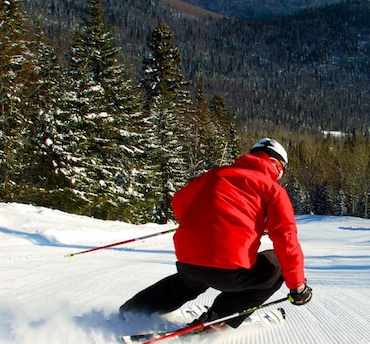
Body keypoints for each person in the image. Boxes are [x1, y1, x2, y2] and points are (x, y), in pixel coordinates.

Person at [120, 138, 312, 331]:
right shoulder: (273, 190)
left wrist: (207, 218)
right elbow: (286, 240)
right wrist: (298, 287)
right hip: (229, 272)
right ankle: (218, 318)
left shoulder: (214, 175)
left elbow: (179, 202)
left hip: (189, 262)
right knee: (276, 266)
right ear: (278, 166)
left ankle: (133, 310)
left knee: (190, 282)